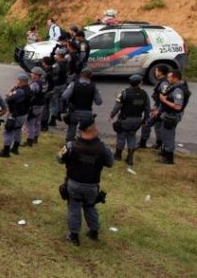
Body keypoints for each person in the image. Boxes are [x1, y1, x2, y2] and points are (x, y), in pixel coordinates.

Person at [57, 117, 114, 246]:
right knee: (90, 206)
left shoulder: (71, 146)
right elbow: (110, 162)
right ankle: (94, 231)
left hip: (74, 183)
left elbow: (59, 158)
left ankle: (74, 235)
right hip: (92, 185)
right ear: (93, 130)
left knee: (74, 207)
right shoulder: (102, 148)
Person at [109, 75, 150, 166]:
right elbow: (147, 108)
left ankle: (118, 155)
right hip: (137, 120)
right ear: (138, 83)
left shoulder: (124, 93)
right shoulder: (144, 94)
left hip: (125, 120)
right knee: (132, 137)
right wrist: (145, 120)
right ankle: (130, 157)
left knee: (121, 137)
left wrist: (112, 115)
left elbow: (117, 106)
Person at [156, 70, 190, 165]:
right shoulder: (177, 86)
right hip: (169, 114)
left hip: (172, 116)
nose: (168, 79)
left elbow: (178, 106)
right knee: (165, 133)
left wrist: (164, 100)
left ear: (175, 77)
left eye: (169, 77)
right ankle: (164, 153)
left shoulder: (178, 90)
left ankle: (168, 158)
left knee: (168, 136)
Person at [61, 68, 103, 142]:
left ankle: (69, 145)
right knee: (85, 129)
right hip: (87, 112)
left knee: (72, 128)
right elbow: (99, 102)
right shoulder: (93, 87)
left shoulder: (73, 84)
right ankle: (83, 144)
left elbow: (64, 96)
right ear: (90, 76)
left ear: (81, 74)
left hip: (74, 111)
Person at [0, 74, 31, 158]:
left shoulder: (20, 91)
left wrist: (11, 91)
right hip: (24, 113)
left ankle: (6, 151)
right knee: (18, 130)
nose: (16, 81)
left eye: (17, 80)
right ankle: (15, 148)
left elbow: (8, 98)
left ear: (21, 81)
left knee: (8, 131)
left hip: (15, 114)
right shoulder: (29, 89)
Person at [24, 67, 48, 147]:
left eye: (33, 73)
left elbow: (30, 93)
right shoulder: (44, 82)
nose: (31, 74)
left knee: (30, 122)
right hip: (41, 104)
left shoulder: (35, 84)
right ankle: (35, 137)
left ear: (37, 75)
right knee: (37, 122)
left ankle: (29, 140)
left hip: (34, 105)